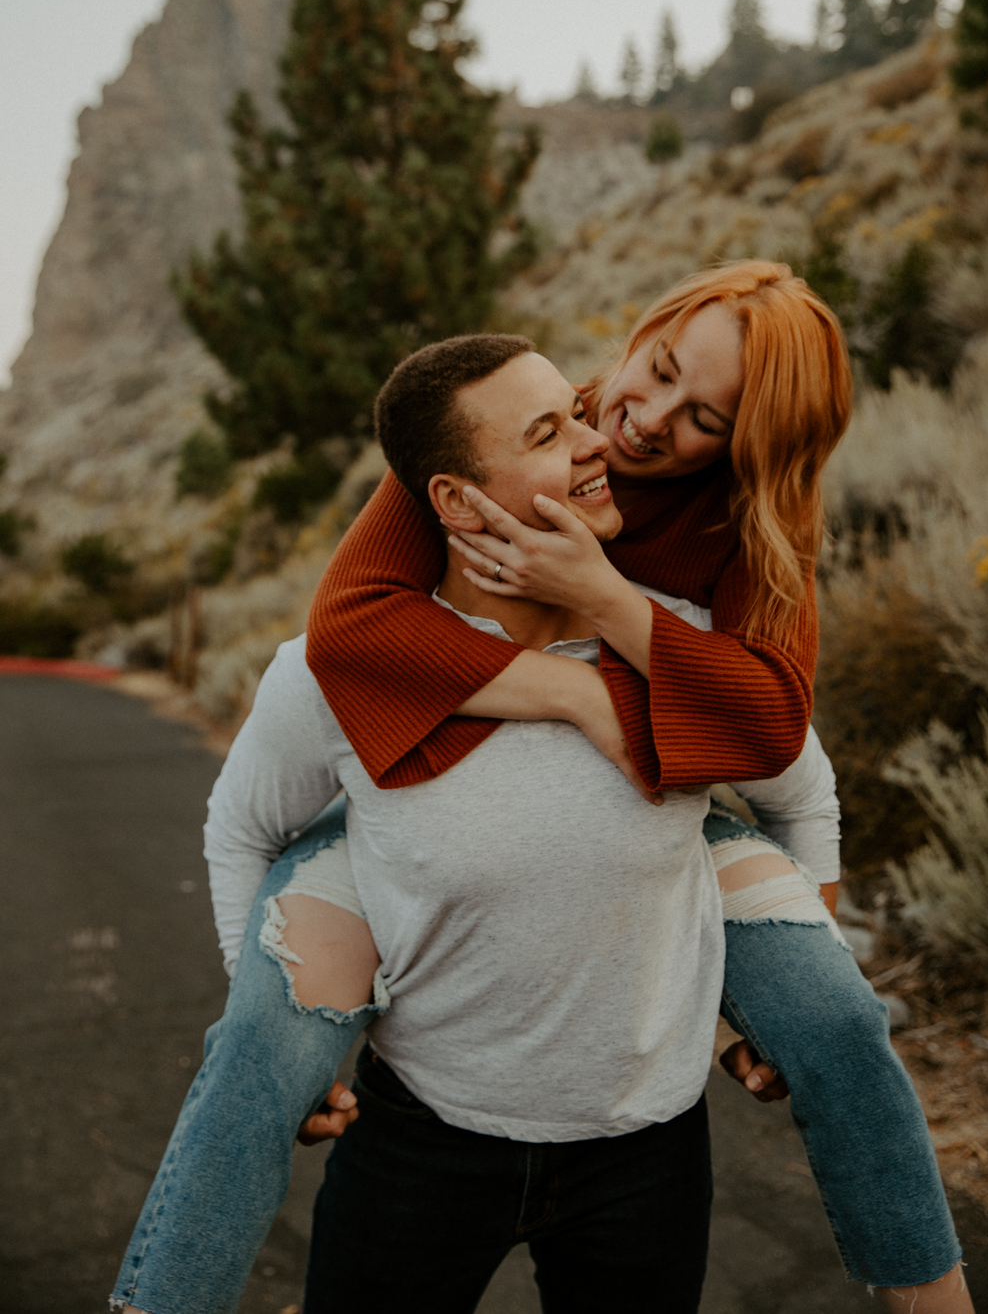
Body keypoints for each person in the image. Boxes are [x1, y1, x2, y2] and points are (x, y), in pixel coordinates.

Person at [114, 332, 842, 1314]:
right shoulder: (343, 668)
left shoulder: (679, 644)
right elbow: (239, 828)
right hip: (418, 1142)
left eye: (579, 413)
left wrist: (793, 1000)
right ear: (454, 501)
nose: (599, 441)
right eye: (550, 432)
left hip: (648, 1153)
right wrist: (282, 1019)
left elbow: (801, 791)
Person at [303, 262, 969, 1311]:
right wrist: (576, 699)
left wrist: (602, 600)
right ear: (652, 325)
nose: (641, 420)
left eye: (701, 417)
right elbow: (344, 626)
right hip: (429, 783)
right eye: (656, 369)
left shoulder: (751, 514)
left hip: (671, 802)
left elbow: (768, 727)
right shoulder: (513, 426)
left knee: (839, 1027)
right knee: (265, 1028)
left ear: (745, 447)